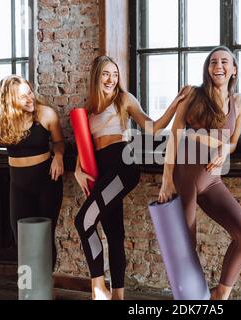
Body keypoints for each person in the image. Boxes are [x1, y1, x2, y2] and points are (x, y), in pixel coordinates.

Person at [73, 55, 190, 300]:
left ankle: (98, 287)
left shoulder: (123, 100)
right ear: (96, 76)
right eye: (106, 74)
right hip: (101, 172)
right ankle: (118, 295)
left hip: (123, 165)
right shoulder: (89, 108)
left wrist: (174, 105)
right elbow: (86, 144)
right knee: (114, 233)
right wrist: (77, 169)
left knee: (83, 221)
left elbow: (152, 127)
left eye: (115, 74)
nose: (111, 79)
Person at [158, 46, 241, 300]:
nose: (218, 66)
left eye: (225, 61)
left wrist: (224, 150)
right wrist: (166, 181)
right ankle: (190, 301)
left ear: (234, 69)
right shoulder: (192, 94)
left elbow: (233, 142)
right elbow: (175, 136)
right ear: (207, 68)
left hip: (212, 181)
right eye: (213, 62)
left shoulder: (240, 102)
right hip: (185, 178)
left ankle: (219, 295)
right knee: (185, 248)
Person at [0, 75, 65, 269]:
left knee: (45, 236)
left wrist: (59, 157)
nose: (30, 98)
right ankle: (29, 293)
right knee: (22, 239)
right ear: (9, 101)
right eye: (22, 97)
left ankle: (46, 290)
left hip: (47, 182)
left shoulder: (46, 114)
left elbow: (59, 142)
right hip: (18, 185)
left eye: (29, 91)